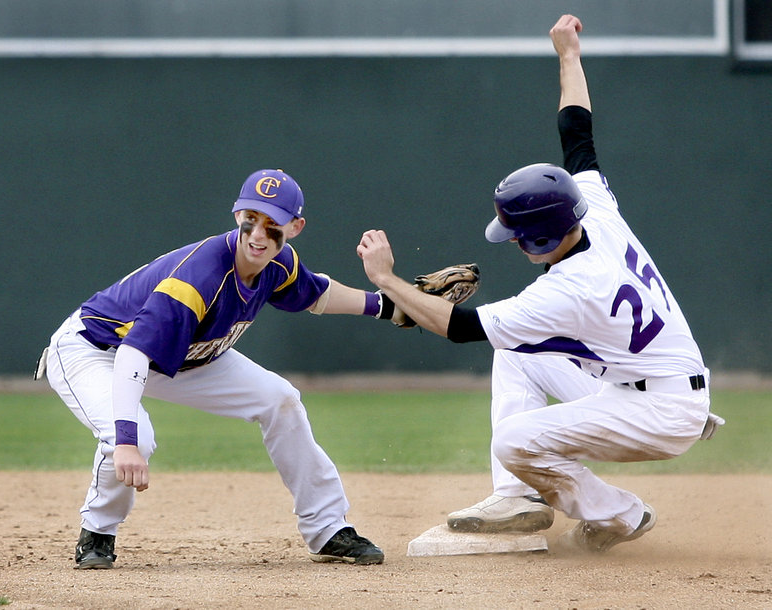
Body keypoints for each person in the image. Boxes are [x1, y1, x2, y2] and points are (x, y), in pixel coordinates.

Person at [357, 15, 723, 553]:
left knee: (512, 439)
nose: (507, 239)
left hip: (659, 411)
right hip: (647, 383)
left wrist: (386, 279)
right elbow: (577, 134)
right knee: (518, 354)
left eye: (513, 233)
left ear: (536, 238)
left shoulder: (567, 289)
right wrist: (568, 54)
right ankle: (518, 499)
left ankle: (620, 513)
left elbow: (459, 327)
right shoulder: (592, 211)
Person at [39, 168, 390, 568]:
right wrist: (125, 442)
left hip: (190, 356)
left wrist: (388, 306)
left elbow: (319, 294)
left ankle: (328, 530)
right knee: (137, 438)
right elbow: (133, 355)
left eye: (272, 224)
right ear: (236, 214)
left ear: (295, 227)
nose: (258, 234)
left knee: (281, 400)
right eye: (251, 220)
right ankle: (98, 534)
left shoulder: (280, 265)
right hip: (98, 349)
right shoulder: (197, 278)